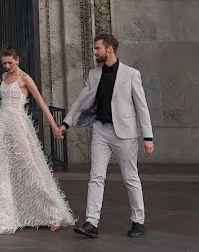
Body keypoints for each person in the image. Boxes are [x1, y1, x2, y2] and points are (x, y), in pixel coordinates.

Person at [0, 46, 74, 234]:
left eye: (10, 62)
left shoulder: (25, 78)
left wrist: (54, 126)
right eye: (4, 63)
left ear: (17, 59)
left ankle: (53, 213)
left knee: (30, 168)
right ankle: (0, 212)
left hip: (18, 125)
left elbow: (41, 103)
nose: (7, 66)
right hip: (2, 126)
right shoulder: (3, 78)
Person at [58, 33, 155, 238]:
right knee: (96, 176)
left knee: (130, 177)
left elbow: (142, 107)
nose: (95, 52)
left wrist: (148, 137)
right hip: (101, 130)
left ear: (109, 49)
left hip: (125, 133)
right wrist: (66, 122)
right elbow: (81, 99)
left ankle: (138, 221)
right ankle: (91, 223)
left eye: (97, 49)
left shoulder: (131, 74)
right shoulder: (94, 74)